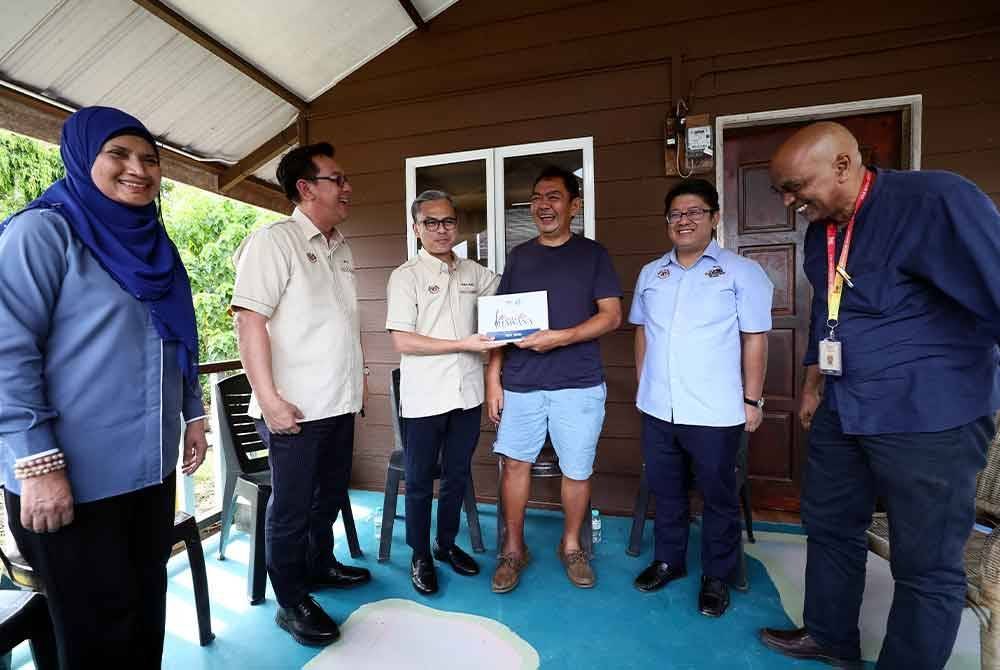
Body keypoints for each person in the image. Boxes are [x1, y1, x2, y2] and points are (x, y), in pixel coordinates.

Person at [759, 122, 1000, 669]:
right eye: (783, 192)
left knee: (926, 564)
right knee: (828, 523)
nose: (792, 202)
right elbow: (827, 312)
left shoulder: (938, 200)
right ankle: (830, 637)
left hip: (929, 415)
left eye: (797, 187)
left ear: (844, 165)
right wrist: (813, 383)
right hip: (846, 405)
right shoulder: (822, 231)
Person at [0, 106, 208, 668]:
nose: (137, 168)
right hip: (70, 480)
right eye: (117, 154)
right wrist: (36, 464)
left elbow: (176, 339)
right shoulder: (41, 233)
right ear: (80, 156)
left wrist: (192, 412)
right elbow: (5, 355)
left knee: (144, 615)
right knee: (93, 634)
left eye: (149, 158)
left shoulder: (155, 246)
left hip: (148, 473)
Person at [231, 142, 371, 647]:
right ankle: (290, 600)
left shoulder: (342, 246)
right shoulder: (274, 241)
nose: (347, 187)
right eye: (338, 179)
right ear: (306, 188)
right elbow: (250, 323)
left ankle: (319, 565)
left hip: (339, 402)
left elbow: (341, 324)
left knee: (330, 496)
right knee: (290, 508)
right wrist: (268, 399)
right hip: (294, 409)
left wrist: (363, 378)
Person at [630, 178, 772, 617]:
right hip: (658, 407)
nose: (684, 220)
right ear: (667, 222)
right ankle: (670, 560)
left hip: (715, 410)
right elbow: (642, 332)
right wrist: (643, 386)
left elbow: (755, 338)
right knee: (667, 490)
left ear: (713, 218)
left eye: (694, 212)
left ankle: (716, 575)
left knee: (718, 497)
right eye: (676, 213)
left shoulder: (741, 272)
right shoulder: (652, 273)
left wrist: (753, 401)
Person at [487, 165, 623, 593]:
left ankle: (571, 547)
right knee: (514, 464)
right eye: (537, 198)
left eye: (554, 197)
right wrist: (494, 377)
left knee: (577, 469)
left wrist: (561, 337)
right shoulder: (520, 257)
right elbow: (501, 324)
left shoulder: (594, 255)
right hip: (522, 382)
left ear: (573, 206)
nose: (543, 206)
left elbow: (611, 316)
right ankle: (513, 549)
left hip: (578, 383)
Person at [385, 190, 503, 595]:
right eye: (431, 223)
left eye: (448, 222)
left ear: (458, 226)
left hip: (467, 394)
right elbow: (403, 341)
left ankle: (446, 543)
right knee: (418, 480)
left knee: (456, 475)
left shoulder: (474, 272)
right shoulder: (406, 276)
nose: (441, 230)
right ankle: (420, 554)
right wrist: (463, 344)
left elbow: (508, 298)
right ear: (416, 229)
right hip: (424, 399)